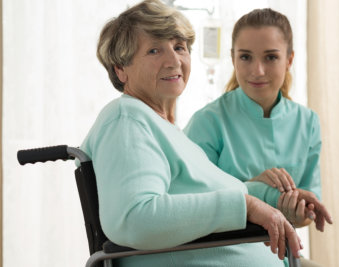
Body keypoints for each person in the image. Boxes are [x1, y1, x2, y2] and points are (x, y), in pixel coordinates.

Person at [79, 1, 303, 266]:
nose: (174, 60)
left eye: (179, 47)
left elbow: (208, 194)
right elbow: (135, 218)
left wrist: (273, 196)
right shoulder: (126, 120)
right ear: (120, 69)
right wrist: (247, 206)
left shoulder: (164, 128)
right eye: (154, 50)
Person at [184, 8, 332, 267]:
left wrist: (296, 212)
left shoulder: (307, 122)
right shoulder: (208, 121)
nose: (258, 70)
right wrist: (257, 190)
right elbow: (191, 206)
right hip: (219, 254)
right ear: (233, 59)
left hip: (281, 256)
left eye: (271, 57)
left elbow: (307, 214)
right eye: (246, 57)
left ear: (289, 60)